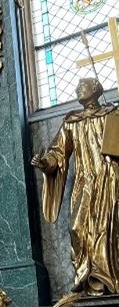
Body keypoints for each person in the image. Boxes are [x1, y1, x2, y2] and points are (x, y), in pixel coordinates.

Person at [32, 78, 119, 295]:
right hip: (84, 181)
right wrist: (45, 162)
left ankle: (107, 279)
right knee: (77, 228)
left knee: (107, 228)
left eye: (84, 86)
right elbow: (58, 152)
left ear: (96, 89)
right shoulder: (72, 122)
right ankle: (85, 278)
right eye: (77, 86)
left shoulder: (111, 115)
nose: (78, 89)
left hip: (107, 180)